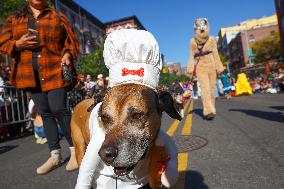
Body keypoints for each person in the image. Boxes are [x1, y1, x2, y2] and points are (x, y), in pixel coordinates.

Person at [0, 0, 80, 174]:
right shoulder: (14, 19)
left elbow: (70, 41)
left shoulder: (57, 16)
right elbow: (3, 43)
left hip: (55, 70)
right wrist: (17, 44)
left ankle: (76, 151)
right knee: (44, 112)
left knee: (59, 108)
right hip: (29, 74)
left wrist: (67, 54)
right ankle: (55, 156)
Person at [187, 18, 224, 120]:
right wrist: (190, 68)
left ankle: (211, 108)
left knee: (212, 89)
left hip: (211, 64)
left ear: (207, 26)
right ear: (196, 27)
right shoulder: (192, 41)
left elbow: (216, 53)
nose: (202, 27)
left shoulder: (212, 39)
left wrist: (219, 66)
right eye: (199, 25)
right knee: (205, 88)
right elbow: (191, 56)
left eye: (203, 24)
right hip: (201, 65)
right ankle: (208, 111)